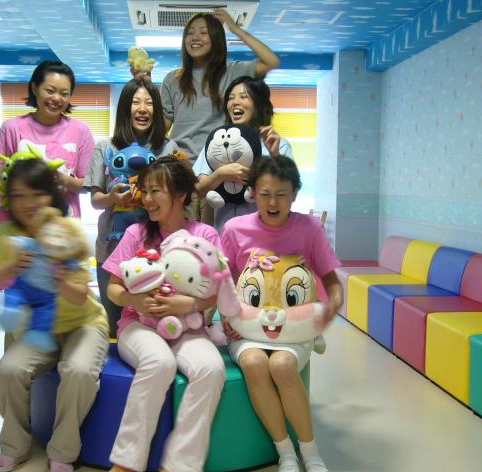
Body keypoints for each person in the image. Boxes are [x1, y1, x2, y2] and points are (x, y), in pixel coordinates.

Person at [0, 159, 109, 472]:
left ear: (52, 195)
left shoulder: (65, 229)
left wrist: (61, 278)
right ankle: (15, 445)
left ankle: (62, 452)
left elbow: (79, 296)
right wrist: (11, 266)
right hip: (39, 329)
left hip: (84, 323)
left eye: (37, 194)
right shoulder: (5, 235)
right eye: (19, 195)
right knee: (8, 371)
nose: (29, 203)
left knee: (78, 371)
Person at [219, 156, 343, 472]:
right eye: (264, 194)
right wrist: (225, 317)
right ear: (252, 193)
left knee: (283, 365)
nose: (272, 202)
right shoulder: (234, 229)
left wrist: (333, 305)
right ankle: (285, 451)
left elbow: (331, 280)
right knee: (253, 363)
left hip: (292, 329)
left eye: (281, 194)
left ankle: (310, 452)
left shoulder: (309, 228)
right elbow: (221, 281)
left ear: (295, 193)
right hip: (248, 328)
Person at [103, 156, 225, 472]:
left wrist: (188, 305)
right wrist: (136, 300)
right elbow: (113, 288)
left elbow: (216, 292)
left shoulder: (205, 235)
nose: (147, 199)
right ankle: (127, 463)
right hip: (138, 326)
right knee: (159, 363)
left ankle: (179, 465)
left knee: (211, 369)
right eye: (145, 191)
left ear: (181, 194)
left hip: (188, 328)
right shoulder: (136, 233)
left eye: (155, 191)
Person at [160, 10, 280, 222]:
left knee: (210, 237)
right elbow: (162, 127)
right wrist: (145, 90)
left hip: (217, 171)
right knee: (178, 237)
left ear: (216, 38)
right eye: (190, 33)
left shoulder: (233, 72)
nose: (195, 37)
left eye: (203, 32)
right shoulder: (172, 79)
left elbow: (271, 61)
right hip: (179, 172)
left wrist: (235, 29)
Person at [84, 78, 179, 338]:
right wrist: (112, 198)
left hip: (158, 249)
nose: (143, 108)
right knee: (114, 324)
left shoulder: (168, 148)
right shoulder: (105, 147)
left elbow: (178, 195)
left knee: (156, 321)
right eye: (136, 102)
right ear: (125, 107)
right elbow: (95, 200)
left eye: (149, 103)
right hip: (112, 249)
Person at [0, 60, 94, 220]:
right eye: (50, 90)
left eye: (64, 93)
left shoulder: (81, 130)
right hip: (16, 226)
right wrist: (18, 195)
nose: (56, 98)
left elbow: (88, 184)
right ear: (35, 88)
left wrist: (60, 179)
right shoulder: (11, 128)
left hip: (62, 226)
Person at [194, 76, 293, 231]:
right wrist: (221, 174)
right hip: (225, 233)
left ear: (259, 104)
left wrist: (275, 156)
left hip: (265, 234)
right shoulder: (217, 142)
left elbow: (290, 191)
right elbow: (199, 191)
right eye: (231, 98)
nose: (235, 102)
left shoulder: (277, 143)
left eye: (243, 97)